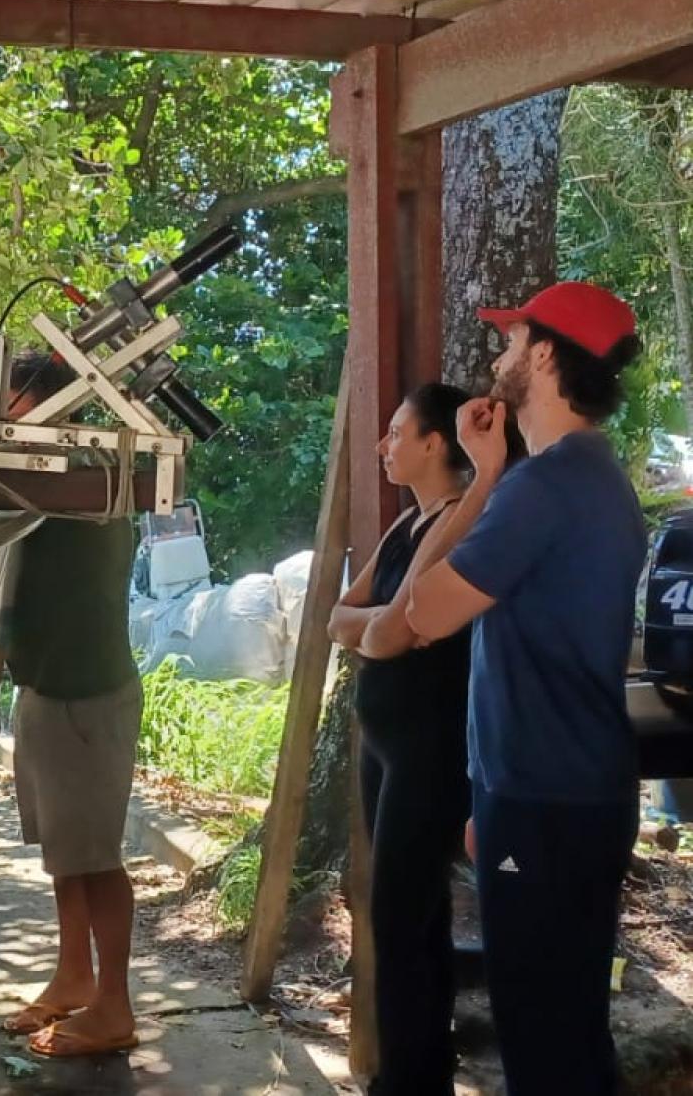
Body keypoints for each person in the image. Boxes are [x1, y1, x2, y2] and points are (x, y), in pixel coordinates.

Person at [407, 282, 646, 1095]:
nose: (499, 356)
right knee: (569, 1029)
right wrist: (489, 801)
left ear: (545, 355)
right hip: (556, 793)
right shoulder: (593, 477)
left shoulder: (541, 488)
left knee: (544, 1038)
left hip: (545, 800)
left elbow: (424, 609)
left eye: (511, 341)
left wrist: (481, 479)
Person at [328, 383, 477, 1096]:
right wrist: (382, 628)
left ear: (435, 442)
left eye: (396, 432)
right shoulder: (403, 527)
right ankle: (421, 1073)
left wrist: (380, 629)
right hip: (385, 745)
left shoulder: (457, 521)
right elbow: (341, 619)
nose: (385, 446)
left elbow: (391, 630)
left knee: (400, 915)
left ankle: (409, 1081)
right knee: (408, 915)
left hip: (430, 748)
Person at [0, 352, 142, 1060]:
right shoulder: (36, 480)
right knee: (64, 851)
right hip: (48, 688)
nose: (3, 416)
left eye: (12, 402)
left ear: (52, 407)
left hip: (88, 693)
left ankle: (114, 1003)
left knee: (95, 855)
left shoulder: (85, 480)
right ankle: (72, 973)